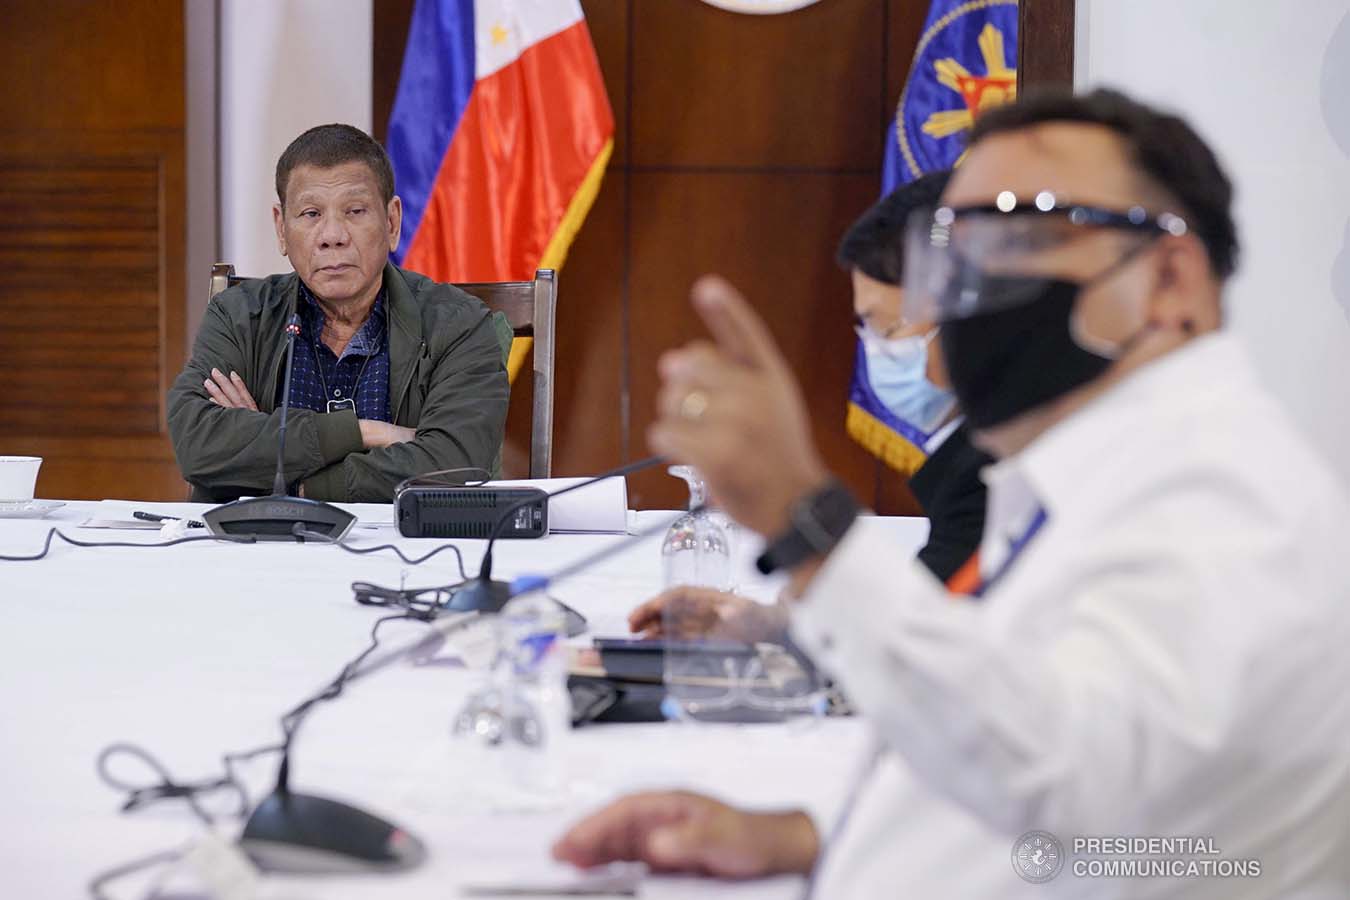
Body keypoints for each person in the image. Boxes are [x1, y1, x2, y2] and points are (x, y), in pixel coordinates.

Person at [555, 89, 1350, 896]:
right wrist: (809, 838)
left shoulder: (1218, 497)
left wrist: (810, 524)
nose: (962, 291)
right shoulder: (1096, 476)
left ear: (1171, 278)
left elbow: (1062, 785)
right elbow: (1061, 771)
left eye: (1017, 232)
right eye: (953, 249)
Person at [629, 170, 993, 644]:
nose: (877, 354)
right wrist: (769, 624)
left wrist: (796, 504)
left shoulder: (988, 473)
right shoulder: (974, 457)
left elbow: (923, 654)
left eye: (886, 329)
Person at [167, 124, 511, 503]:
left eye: (355, 211)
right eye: (311, 213)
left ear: (392, 222)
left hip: (404, 554)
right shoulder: (239, 316)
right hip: (256, 551)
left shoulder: (459, 324)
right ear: (282, 229)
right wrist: (364, 433)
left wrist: (284, 478)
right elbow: (198, 445)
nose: (332, 235)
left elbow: (456, 464)